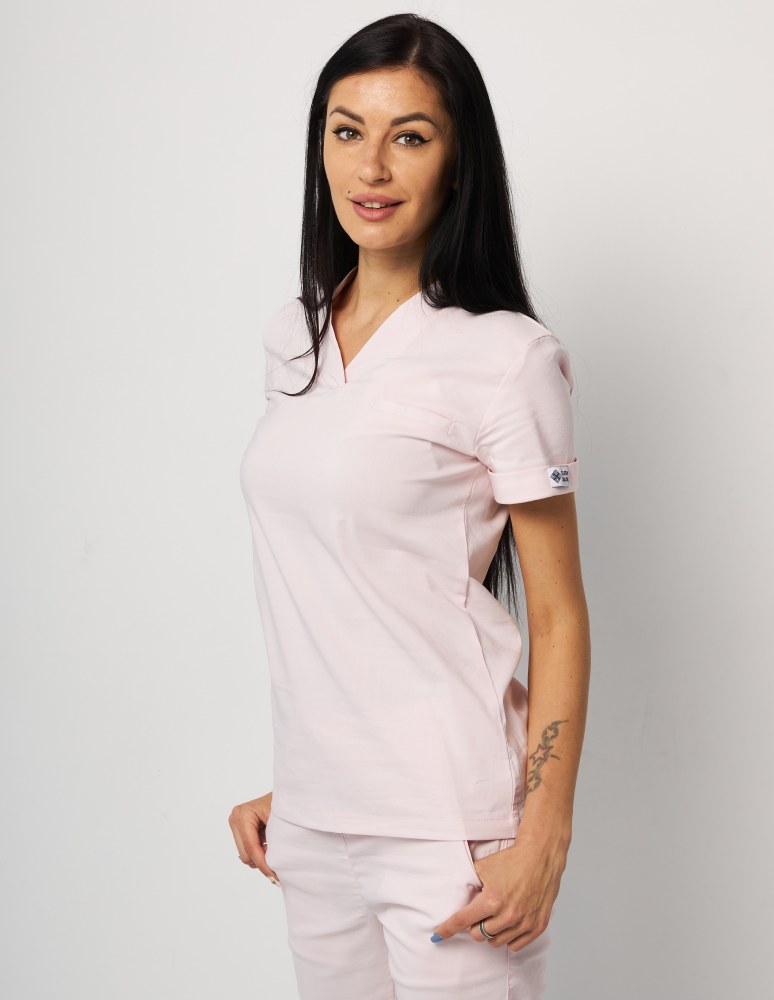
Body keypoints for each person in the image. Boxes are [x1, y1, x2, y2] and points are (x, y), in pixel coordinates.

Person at [229, 12, 591, 999]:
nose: (372, 167)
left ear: (457, 159)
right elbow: (342, 578)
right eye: (347, 131)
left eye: (411, 136)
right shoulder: (294, 338)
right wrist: (304, 783)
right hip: (313, 826)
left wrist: (544, 833)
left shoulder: (505, 357)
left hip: (452, 831)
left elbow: (557, 613)